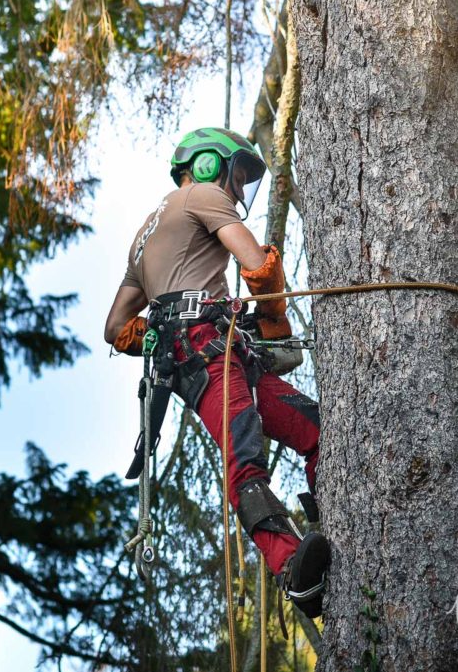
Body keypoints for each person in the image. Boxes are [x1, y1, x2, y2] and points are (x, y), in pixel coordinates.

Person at [104, 127, 329, 618]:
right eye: (240, 175)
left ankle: (334, 525)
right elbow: (256, 263)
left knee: (316, 432)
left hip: (213, 351)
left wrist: (167, 332)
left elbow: (116, 328)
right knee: (244, 460)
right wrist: (273, 322)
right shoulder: (203, 194)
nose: (240, 190)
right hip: (209, 351)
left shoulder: (144, 236)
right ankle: (292, 569)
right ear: (208, 165)